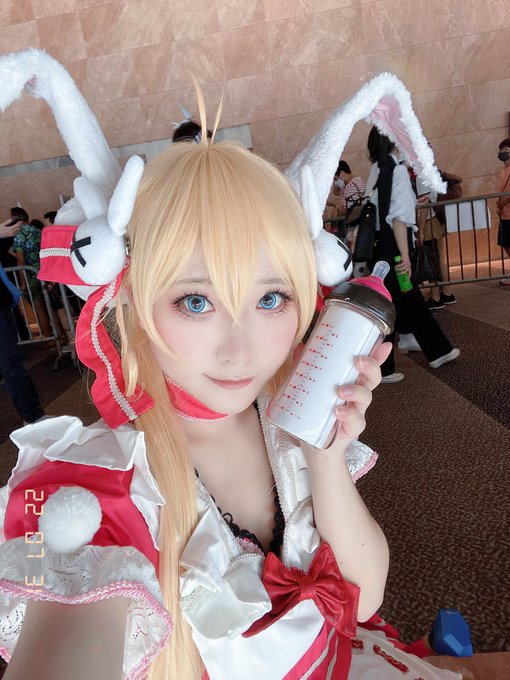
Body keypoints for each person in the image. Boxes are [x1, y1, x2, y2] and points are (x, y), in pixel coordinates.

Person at [0, 126, 463, 680]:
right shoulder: (90, 485)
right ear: (134, 299)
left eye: (271, 298)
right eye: (196, 301)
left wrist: (326, 453)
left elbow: (362, 600)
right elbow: (51, 590)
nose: (241, 351)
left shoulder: (285, 419)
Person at [365, 127, 460, 382]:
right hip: (394, 249)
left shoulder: (375, 170)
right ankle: (428, 353)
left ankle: (420, 345)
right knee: (403, 298)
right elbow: (398, 219)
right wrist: (405, 256)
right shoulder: (396, 171)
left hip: (378, 248)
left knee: (400, 299)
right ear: (396, 143)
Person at [0, 220, 45, 425]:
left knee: (12, 360)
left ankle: (33, 416)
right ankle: (33, 417)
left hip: (3, 302)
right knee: (11, 361)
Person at [416, 172, 462, 310]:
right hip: (437, 219)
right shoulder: (431, 171)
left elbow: (424, 204)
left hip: (429, 222)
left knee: (432, 259)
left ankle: (436, 297)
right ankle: (447, 293)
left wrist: (420, 230)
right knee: (439, 259)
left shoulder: (421, 176)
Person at [8, 206, 52, 338]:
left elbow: (20, 261)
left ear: (15, 219)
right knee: (50, 307)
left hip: (31, 276)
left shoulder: (19, 236)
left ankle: (49, 337)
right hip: (45, 272)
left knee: (38, 308)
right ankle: (60, 335)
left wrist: (22, 282)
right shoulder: (37, 231)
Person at [496, 137, 510, 285]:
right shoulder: (503, 171)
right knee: (505, 242)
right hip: (504, 214)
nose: (502, 152)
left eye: (505, 150)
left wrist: (503, 202)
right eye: (501, 150)